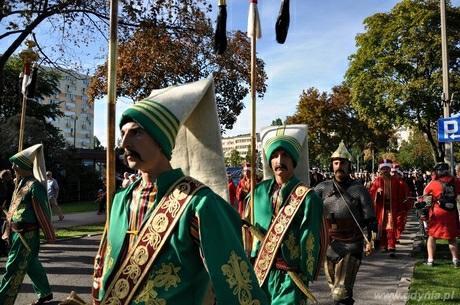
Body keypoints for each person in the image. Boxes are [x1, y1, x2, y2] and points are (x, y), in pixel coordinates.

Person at [92, 78, 268, 305]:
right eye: (123, 133)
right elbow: (104, 266)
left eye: (136, 133)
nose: (124, 142)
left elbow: (235, 285)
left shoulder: (199, 203)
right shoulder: (119, 199)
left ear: (161, 140)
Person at [246, 124, 326, 305]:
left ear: (293, 161)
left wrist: (305, 273)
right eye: (274, 156)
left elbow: (310, 236)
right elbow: (246, 233)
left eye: (285, 155)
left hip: (290, 276)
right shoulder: (256, 193)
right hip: (260, 274)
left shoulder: (307, 197)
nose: (279, 160)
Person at [314, 141, 376, 305]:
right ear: (332, 165)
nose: (339, 166)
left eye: (342, 162)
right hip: (329, 245)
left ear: (349, 166)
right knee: (336, 292)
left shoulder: (359, 189)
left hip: (351, 244)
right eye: (336, 162)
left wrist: (371, 238)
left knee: (340, 293)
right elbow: (308, 209)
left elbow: (370, 217)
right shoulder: (321, 188)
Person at [0, 144, 56, 305]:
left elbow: (43, 210)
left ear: (24, 166)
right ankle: (45, 293)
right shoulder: (21, 183)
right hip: (16, 232)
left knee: (13, 266)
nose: (12, 167)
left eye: (15, 164)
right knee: (30, 263)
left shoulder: (34, 185)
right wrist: (7, 230)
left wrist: (49, 233)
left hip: (27, 234)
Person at [422, 163, 460, 267]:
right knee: (452, 237)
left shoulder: (434, 183)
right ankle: (455, 259)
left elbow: (425, 195)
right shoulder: (456, 181)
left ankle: (430, 260)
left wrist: (425, 207)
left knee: (432, 236)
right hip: (451, 212)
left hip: (437, 213)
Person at [369, 159, 406, 257]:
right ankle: (383, 245)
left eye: (387, 168)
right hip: (381, 208)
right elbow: (371, 193)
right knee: (382, 228)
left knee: (390, 227)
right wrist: (377, 192)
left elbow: (401, 195)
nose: (385, 170)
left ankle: (391, 246)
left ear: (390, 169)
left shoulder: (395, 181)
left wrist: (400, 207)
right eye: (383, 168)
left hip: (391, 208)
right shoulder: (377, 181)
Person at [0, 169, 14, 256]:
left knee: (4, 227)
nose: (10, 177)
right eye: (9, 175)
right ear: (5, 175)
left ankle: (4, 248)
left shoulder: (5, 183)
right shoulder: (1, 183)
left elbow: (7, 195)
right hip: (1, 208)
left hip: (4, 207)